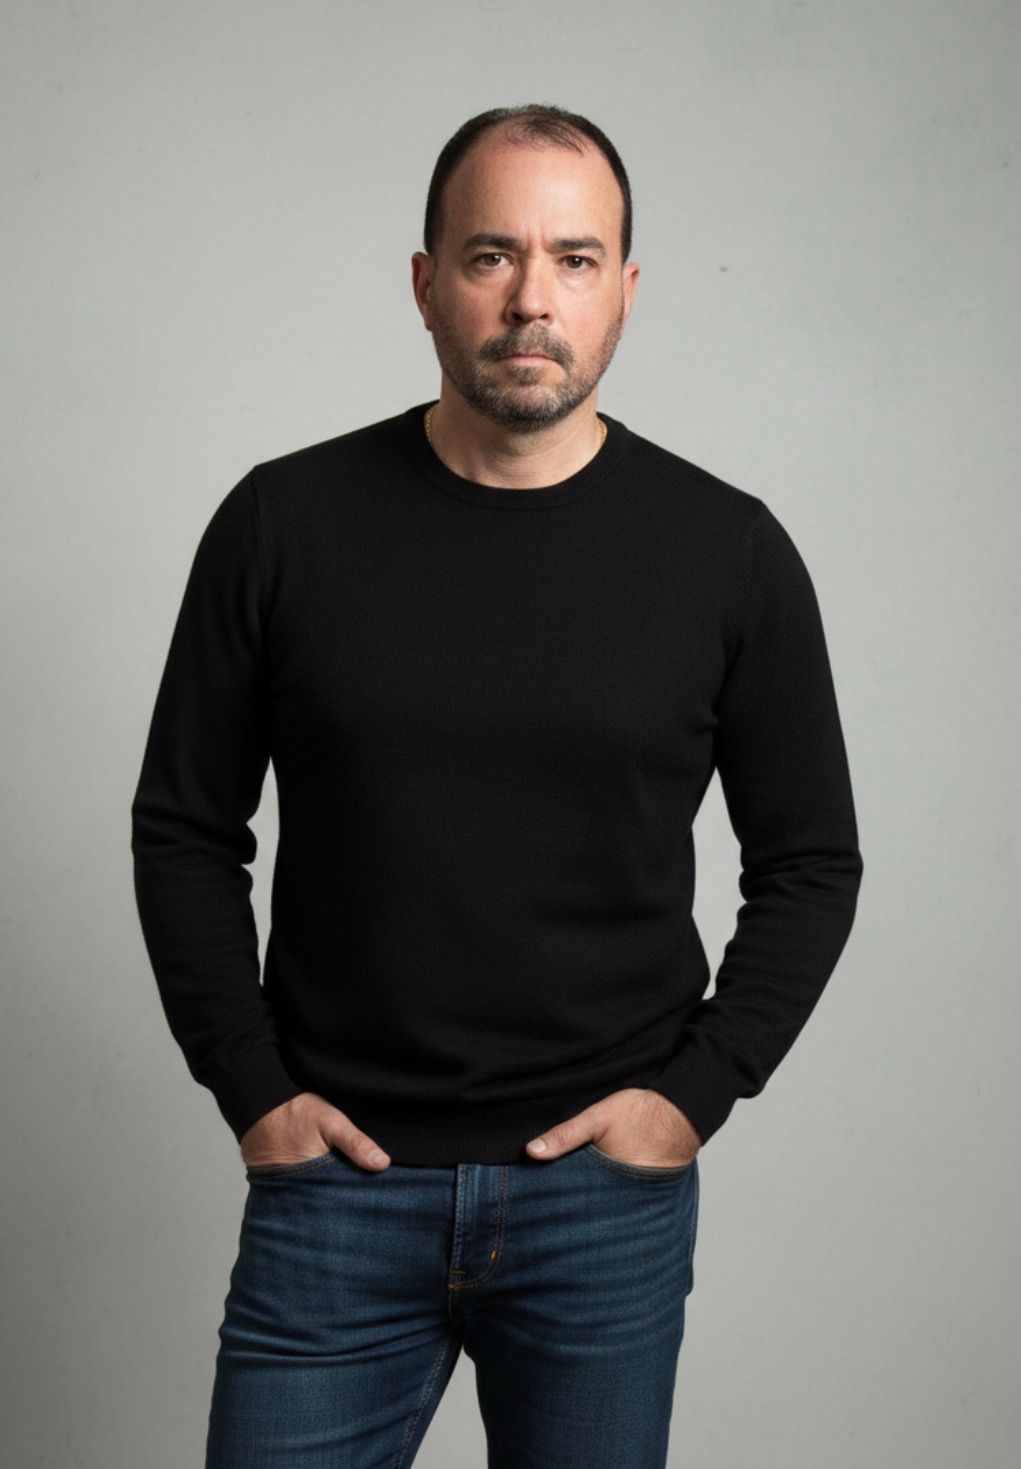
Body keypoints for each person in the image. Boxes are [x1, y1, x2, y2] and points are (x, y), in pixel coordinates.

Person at [131, 102, 864, 1468]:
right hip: (334, 1188)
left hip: (601, 1199)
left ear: (627, 294)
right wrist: (249, 1086)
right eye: (490, 255)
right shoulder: (282, 525)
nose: (533, 298)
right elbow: (184, 828)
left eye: (575, 260)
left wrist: (695, 1091)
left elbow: (812, 858)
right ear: (423, 281)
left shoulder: (727, 552)